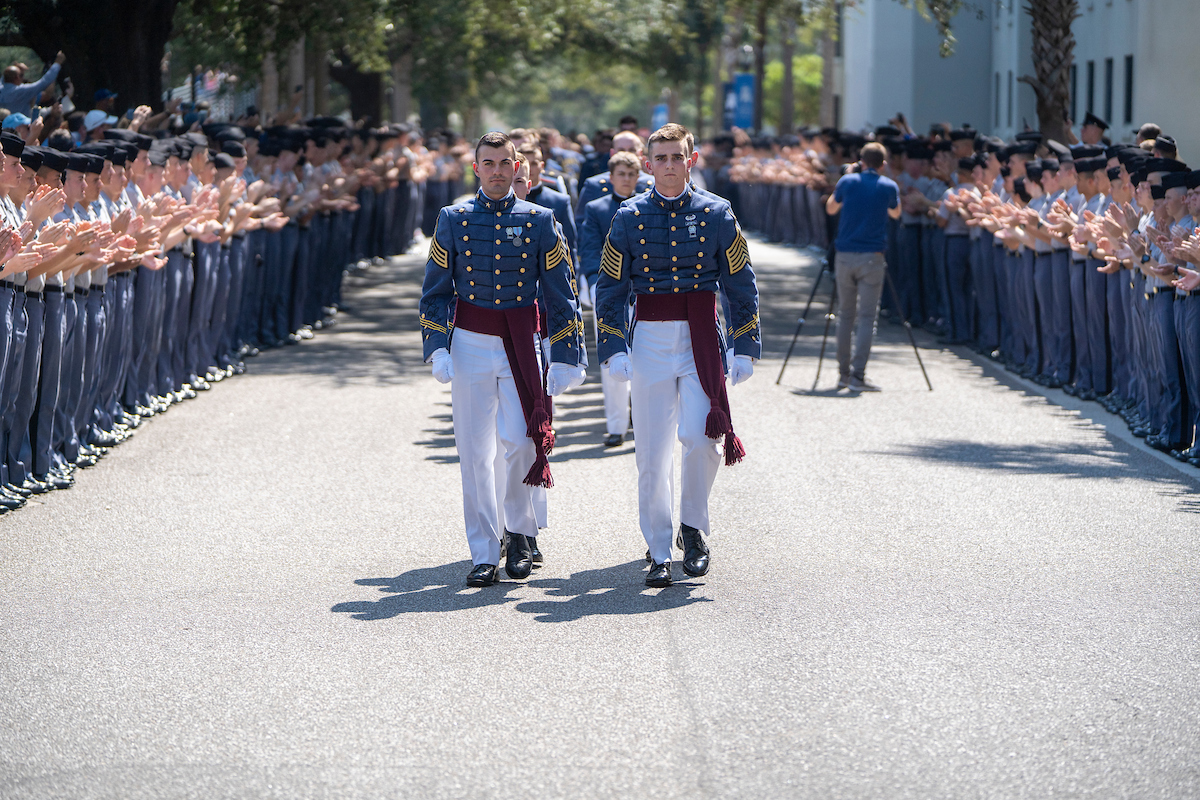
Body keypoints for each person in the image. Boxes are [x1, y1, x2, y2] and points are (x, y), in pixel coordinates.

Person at [595, 123, 760, 587]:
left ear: (692, 160)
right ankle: (658, 546)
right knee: (650, 451)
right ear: (648, 164)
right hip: (648, 336)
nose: (669, 165)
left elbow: (740, 285)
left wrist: (744, 344)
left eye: (677, 157)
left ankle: (693, 528)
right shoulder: (628, 217)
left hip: (701, 337)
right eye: (661, 158)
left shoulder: (717, 213)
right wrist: (612, 346)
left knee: (702, 439)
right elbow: (610, 289)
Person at [419, 131, 585, 587]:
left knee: (520, 442)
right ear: (476, 168)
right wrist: (436, 346)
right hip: (470, 342)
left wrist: (567, 352)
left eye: (504, 163)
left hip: (520, 344)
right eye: (487, 163)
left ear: (518, 168)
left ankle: (518, 530)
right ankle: (483, 551)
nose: (496, 170)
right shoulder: (453, 218)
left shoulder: (540, 219)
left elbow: (560, 293)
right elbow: (434, 290)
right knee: (474, 452)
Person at [825, 141, 902, 392]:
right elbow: (895, 213)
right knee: (868, 316)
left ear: (862, 160)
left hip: (845, 254)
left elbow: (831, 207)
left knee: (845, 315)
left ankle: (843, 374)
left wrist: (847, 180)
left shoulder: (848, 182)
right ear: (883, 164)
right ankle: (859, 375)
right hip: (873, 255)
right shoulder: (889, 185)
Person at [578, 150, 641, 446]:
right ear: (611, 177)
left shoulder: (645, 206)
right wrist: (592, 281)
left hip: (641, 293)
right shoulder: (596, 208)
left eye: (631, 174)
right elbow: (589, 249)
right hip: (608, 292)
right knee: (611, 359)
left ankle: (641, 420)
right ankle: (616, 425)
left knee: (644, 361)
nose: (626, 179)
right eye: (621, 174)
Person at [0, 52, 65, 119]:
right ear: (17, 78)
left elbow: (5, 77)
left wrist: (15, 68)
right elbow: (44, 82)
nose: (23, 78)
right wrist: (57, 63)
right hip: (19, 128)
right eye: (21, 75)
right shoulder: (21, 91)